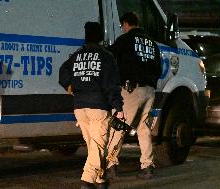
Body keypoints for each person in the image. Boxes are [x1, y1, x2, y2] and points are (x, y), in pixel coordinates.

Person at [59, 22, 125, 189]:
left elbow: (63, 73)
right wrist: (119, 108)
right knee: (98, 146)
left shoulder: (77, 55)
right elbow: (112, 85)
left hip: (80, 108)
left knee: (93, 146)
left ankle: (100, 181)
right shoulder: (106, 56)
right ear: (101, 37)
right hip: (98, 107)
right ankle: (87, 181)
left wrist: (71, 87)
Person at [106, 12, 162, 179]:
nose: (122, 29)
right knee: (143, 128)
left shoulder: (126, 40)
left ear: (125, 23)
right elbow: (158, 69)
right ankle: (147, 166)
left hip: (131, 90)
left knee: (118, 126)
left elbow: (109, 54)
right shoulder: (152, 43)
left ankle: (111, 164)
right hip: (149, 91)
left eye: (122, 26)